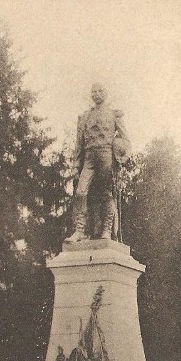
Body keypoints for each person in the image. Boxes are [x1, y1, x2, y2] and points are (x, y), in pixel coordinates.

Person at [65, 83, 130, 243]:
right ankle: (80, 230)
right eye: (94, 91)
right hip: (89, 157)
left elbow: (125, 139)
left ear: (106, 93)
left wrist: (122, 156)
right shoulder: (85, 116)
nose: (97, 94)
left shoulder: (114, 115)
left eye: (100, 91)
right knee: (81, 192)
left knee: (105, 193)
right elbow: (78, 143)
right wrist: (75, 165)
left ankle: (107, 230)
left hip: (106, 155)